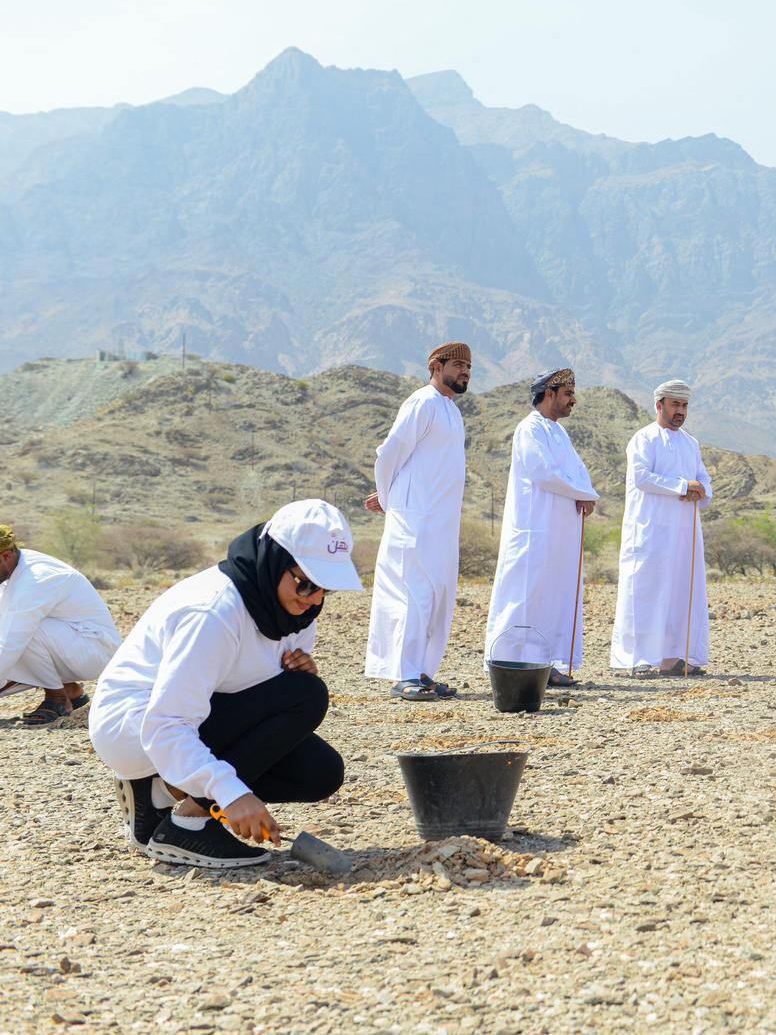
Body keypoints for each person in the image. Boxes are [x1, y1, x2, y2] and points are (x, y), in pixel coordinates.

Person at [89, 500, 363, 868]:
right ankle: (188, 822)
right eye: (307, 583)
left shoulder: (295, 609)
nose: (314, 600)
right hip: (134, 728)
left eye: (326, 589)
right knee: (306, 695)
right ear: (274, 560)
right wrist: (230, 795)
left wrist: (291, 676)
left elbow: (257, 690)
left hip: (196, 715)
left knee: (320, 771)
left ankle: (157, 792)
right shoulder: (213, 612)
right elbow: (167, 722)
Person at [365, 341, 470, 702]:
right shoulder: (422, 401)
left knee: (437, 597)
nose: (465, 372)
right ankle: (404, 674)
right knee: (413, 595)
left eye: (468, 367)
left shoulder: (452, 411)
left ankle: (423, 672)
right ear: (436, 366)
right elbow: (390, 452)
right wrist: (389, 497)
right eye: (457, 365)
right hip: (414, 519)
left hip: (441, 523)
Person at [486, 368, 598, 687]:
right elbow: (543, 473)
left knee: (553, 596)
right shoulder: (529, 429)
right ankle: (509, 665)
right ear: (549, 394)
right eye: (568, 394)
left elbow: (579, 472)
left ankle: (543, 665)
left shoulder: (559, 433)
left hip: (560, 533)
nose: (573, 400)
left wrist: (584, 492)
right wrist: (584, 494)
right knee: (525, 595)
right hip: (534, 530)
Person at [609, 380, 712, 677]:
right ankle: (637, 658)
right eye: (675, 405)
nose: (680, 411)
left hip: (683, 533)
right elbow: (642, 477)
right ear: (659, 405)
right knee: (645, 592)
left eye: (684, 406)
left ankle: (671, 657)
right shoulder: (643, 439)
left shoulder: (690, 443)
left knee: (680, 592)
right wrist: (683, 486)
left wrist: (700, 490)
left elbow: (705, 482)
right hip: (650, 531)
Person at [0, 526, 121, 725]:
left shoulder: (35, 579)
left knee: (27, 631)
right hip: (70, 644)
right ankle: (70, 691)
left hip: (94, 651)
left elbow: (10, 644)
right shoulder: (13, 569)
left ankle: (57, 698)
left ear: (6, 555)